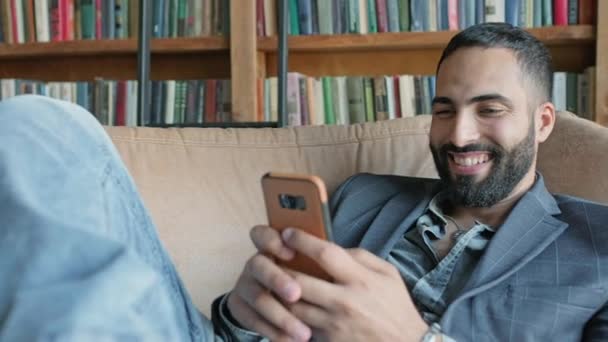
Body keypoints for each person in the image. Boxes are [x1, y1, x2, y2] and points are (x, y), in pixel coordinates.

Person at [0, 22, 606, 342]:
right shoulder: (365, 195)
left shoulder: (597, 248)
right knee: (42, 123)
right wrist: (241, 315)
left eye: (489, 109)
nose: (459, 134)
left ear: (543, 120)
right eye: (445, 108)